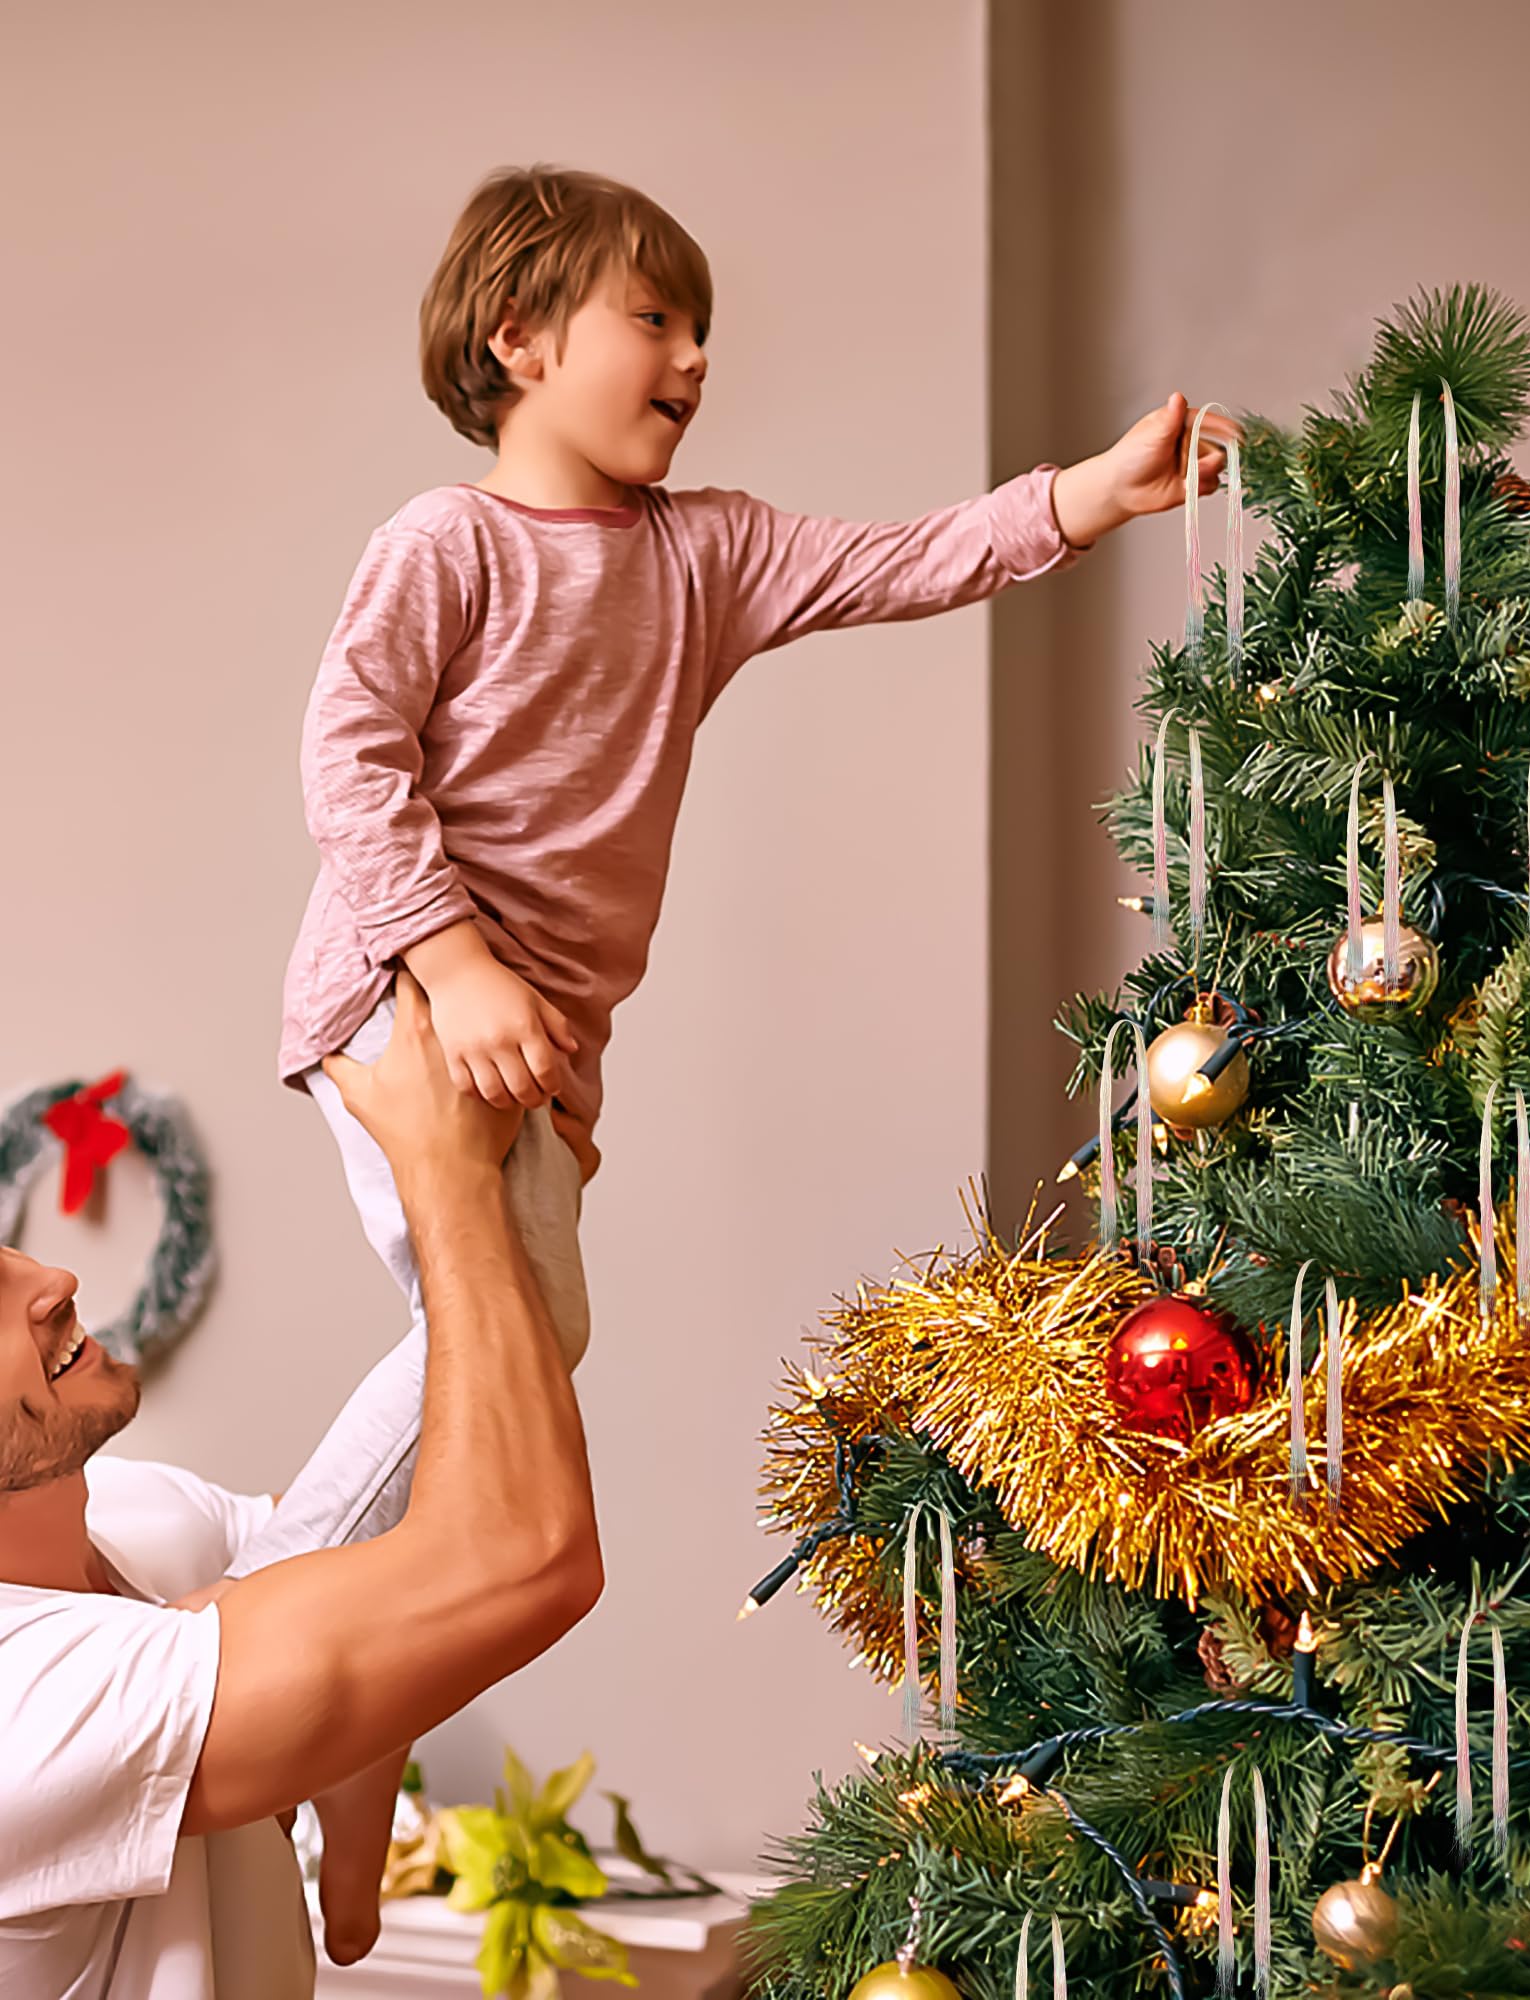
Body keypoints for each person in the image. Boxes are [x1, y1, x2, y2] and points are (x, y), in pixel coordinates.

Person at [240, 161, 1243, 1587]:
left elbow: (908, 559)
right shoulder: (446, 543)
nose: (696, 356)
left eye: (700, 330)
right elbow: (348, 753)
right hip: (405, 999)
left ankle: (328, 1640)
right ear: (520, 339)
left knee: (515, 1353)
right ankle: (263, 1612)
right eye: (654, 319)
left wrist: (1094, 494)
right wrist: (451, 966)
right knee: (506, 1330)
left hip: (543, 1047)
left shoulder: (702, 554)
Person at [0, 975, 604, 1993]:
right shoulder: (20, 1705)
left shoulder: (150, 1520)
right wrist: (446, 1182)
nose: (52, 1279)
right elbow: (519, 1553)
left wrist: (513, 1190)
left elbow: (413, 1515)